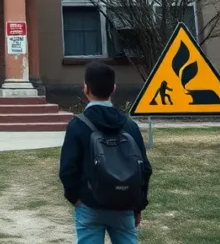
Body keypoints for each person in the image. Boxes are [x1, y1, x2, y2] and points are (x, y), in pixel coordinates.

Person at [59, 62, 152, 244]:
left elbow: (68, 169)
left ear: (86, 89)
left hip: (89, 204)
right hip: (125, 203)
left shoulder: (78, 125)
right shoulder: (129, 125)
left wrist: (75, 198)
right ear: (114, 89)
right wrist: (138, 206)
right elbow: (144, 169)